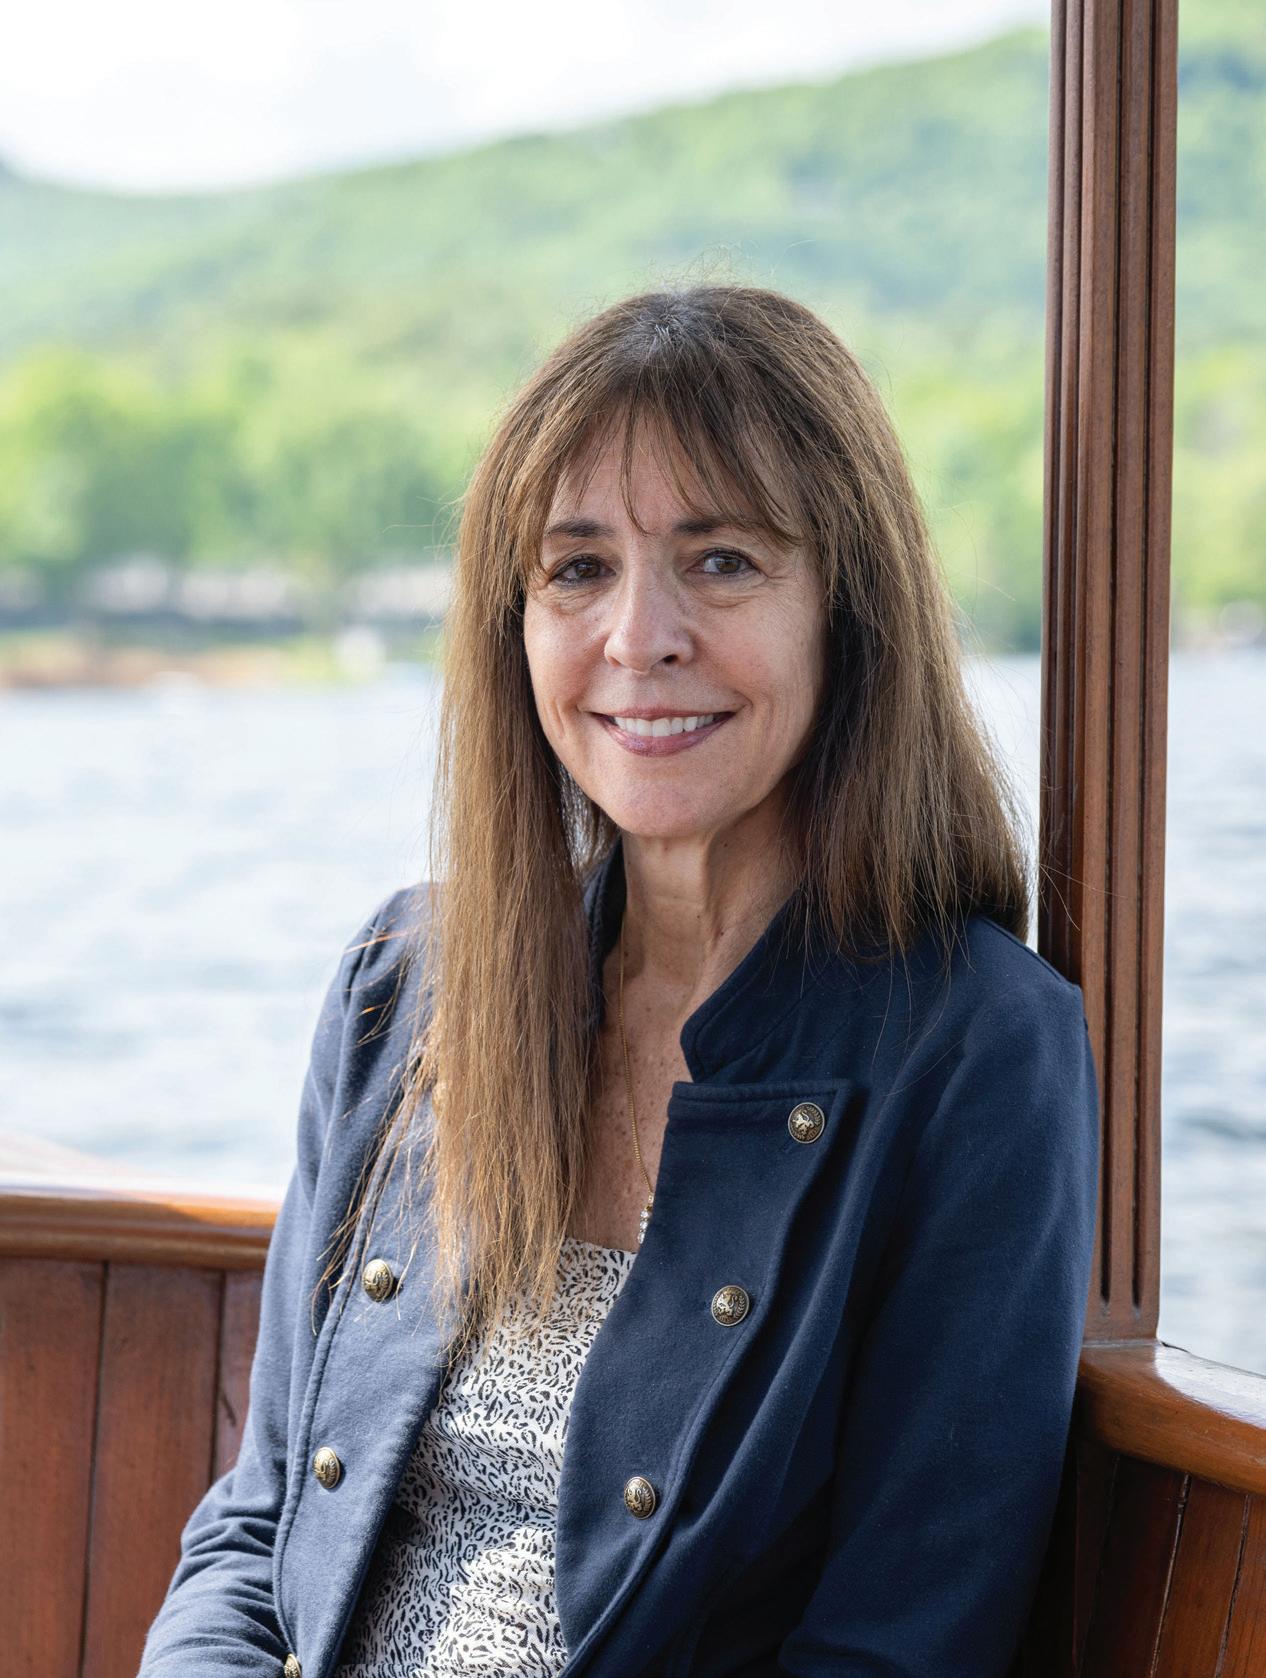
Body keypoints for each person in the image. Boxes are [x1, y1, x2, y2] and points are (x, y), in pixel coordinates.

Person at [137, 284, 1100, 1678]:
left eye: (721, 561)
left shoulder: (975, 1047)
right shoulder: (404, 987)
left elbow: (895, 1648)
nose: (639, 635)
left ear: (847, 608)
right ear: (514, 622)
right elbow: (254, 1530)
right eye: (577, 568)